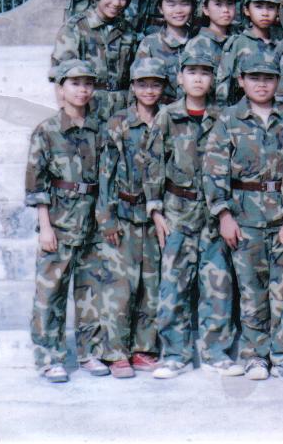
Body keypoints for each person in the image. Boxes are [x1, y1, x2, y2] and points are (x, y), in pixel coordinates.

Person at [204, 49, 283, 382]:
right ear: (241, 81)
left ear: (278, 82)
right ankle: (255, 355)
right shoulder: (228, 120)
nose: (261, 85)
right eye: (254, 78)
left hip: (281, 216)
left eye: (268, 79)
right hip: (244, 215)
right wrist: (223, 214)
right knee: (251, 291)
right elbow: (214, 169)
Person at [145, 48, 241, 378]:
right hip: (178, 211)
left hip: (213, 213)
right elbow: (154, 163)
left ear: (213, 79)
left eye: (205, 72)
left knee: (217, 283)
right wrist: (155, 210)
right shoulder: (168, 116)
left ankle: (216, 352)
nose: (198, 79)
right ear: (180, 77)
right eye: (192, 72)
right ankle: (175, 354)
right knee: (174, 283)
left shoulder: (223, 117)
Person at [26, 59, 106, 382]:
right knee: (51, 293)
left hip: (92, 223)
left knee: (91, 291)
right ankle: (49, 357)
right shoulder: (47, 131)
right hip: (59, 224)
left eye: (87, 83)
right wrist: (45, 226)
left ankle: (90, 352)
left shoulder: (99, 130)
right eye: (74, 83)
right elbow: (36, 185)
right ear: (61, 89)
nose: (82, 90)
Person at [96, 57, 167, 378]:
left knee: (151, 285)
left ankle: (143, 348)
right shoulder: (119, 122)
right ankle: (116, 353)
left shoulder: (167, 119)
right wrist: (106, 216)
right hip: (123, 213)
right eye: (142, 84)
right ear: (133, 87)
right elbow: (106, 173)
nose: (149, 91)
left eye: (155, 84)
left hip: (155, 217)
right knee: (120, 287)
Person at [50, 0, 138, 126]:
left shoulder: (128, 30)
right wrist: (68, 118)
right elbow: (60, 77)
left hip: (123, 111)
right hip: (88, 109)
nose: (117, 3)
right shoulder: (75, 28)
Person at [217, 0, 283, 105]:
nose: (265, 13)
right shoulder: (238, 43)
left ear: (278, 10)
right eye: (258, 6)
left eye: (270, 7)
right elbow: (224, 83)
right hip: (242, 110)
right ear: (246, 10)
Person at [134, 0, 196, 104]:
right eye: (171, 4)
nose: (178, 10)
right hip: (161, 111)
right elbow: (139, 85)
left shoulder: (200, 41)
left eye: (184, 4)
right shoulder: (150, 44)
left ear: (192, 7)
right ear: (160, 8)